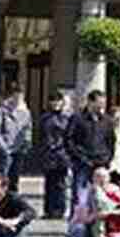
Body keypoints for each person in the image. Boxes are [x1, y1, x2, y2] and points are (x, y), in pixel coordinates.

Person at [67, 89, 115, 216]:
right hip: (83, 163)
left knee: (102, 195)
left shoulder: (107, 120)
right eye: (99, 103)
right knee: (80, 195)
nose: (101, 107)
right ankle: (77, 223)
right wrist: (80, 157)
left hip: (101, 163)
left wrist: (108, 158)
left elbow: (111, 141)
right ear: (90, 102)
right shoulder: (78, 119)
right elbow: (69, 141)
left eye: (103, 104)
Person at [38, 90, 70, 219]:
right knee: (49, 183)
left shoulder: (66, 118)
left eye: (58, 101)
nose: (56, 103)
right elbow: (41, 136)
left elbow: (68, 135)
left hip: (62, 153)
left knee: (61, 183)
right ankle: (49, 210)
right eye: (53, 101)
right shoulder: (45, 117)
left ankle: (60, 209)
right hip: (48, 154)